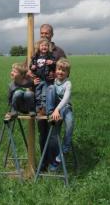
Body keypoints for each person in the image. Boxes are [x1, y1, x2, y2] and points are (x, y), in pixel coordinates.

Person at [35, 24, 67, 156]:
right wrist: (32, 78)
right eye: (42, 33)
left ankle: (55, 162)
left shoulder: (58, 52)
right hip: (40, 99)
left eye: (46, 33)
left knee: (54, 131)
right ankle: (44, 162)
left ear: (52, 34)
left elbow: (67, 71)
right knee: (42, 131)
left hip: (55, 99)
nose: (44, 36)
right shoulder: (36, 51)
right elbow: (27, 69)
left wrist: (56, 74)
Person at [45, 58, 74, 171]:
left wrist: (57, 109)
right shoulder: (53, 83)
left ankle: (64, 150)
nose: (60, 72)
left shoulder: (68, 83)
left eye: (64, 70)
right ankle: (54, 157)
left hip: (65, 108)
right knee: (54, 134)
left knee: (70, 123)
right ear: (55, 70)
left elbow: (66, 99)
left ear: (68, 73)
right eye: (59, 69)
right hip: (54, 111)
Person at [29, 38, 56, 115]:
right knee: (37, 94)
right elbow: (31, 66)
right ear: (39, 47)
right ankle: (38, 108)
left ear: (48, 47)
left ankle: (44, 108)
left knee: (44, 95)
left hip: (46, 79)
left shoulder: (50, 56)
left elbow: (55, 65)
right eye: (42, 45)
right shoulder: (35, 57)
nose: (44, 47)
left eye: (46, 45)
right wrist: (32, 67)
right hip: (38, 79)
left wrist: (52, 63)